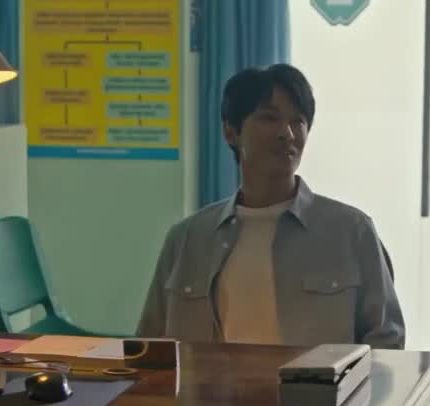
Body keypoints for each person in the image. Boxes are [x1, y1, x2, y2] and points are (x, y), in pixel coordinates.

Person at [137, 64, 405, 349]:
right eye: (269, 118)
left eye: (298, 121)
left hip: (315, 382)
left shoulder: (351, 231)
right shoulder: (187, 239)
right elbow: (149, 346)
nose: (286, 133)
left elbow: (386, 343)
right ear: (231, 132)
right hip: (206, 381)